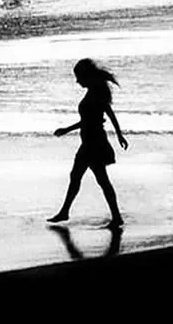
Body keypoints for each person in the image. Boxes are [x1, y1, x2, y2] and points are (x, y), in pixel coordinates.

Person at [48, 58, 129, 228]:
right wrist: (119, 134)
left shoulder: (96, 93)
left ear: (86, 76)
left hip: (94, 143)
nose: (77, 81)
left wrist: (66, 130)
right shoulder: (95, 91)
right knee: (79, 177)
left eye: (78, 77)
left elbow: (96, 118)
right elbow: (99, 116)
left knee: (97, 179)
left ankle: (115, 217)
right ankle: (65, 212)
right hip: (91, 141)